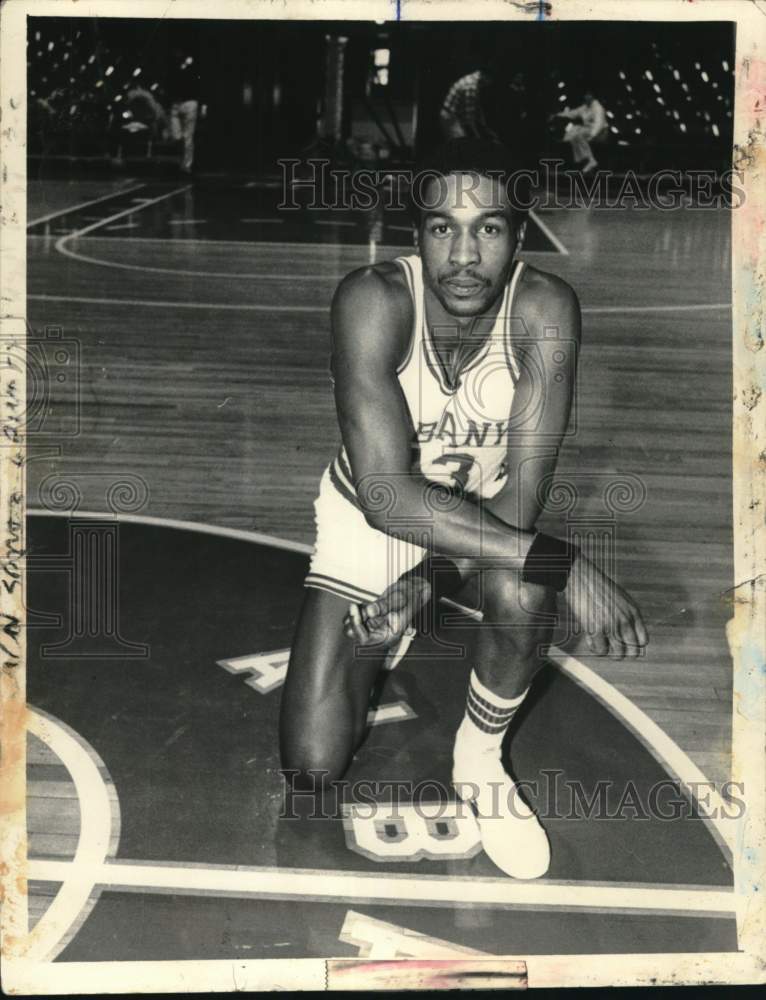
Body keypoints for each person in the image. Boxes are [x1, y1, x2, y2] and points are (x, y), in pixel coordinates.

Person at [279, 138, 648, 880]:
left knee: (524, 581)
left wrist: (432, 583)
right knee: (314, 766)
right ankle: (400, 627)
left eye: (488, 228)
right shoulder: (372, 300)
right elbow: (386, 496)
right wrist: (559, 555)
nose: (464, 253)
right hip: (369, 523)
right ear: (415, 235)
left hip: (485, 523)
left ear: (519, 236)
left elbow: (521, 498)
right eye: (443, 227)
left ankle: (480, 758)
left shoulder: (544, 311)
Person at [167, 49, 202, 174]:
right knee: (176, 136)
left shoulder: (192, 68)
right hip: (176, 104)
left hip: (190, 102)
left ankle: (186, 165)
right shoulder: (173, 69)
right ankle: (182, 160)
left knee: (188, 137)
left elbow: (198, 84)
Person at [555, 90, 608, 173]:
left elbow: (599, 124)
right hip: (588, 129)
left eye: (589, 95)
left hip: (600, 132)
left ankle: (590, 161)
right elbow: (573, 113)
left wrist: (592, 135)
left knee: (579, 135)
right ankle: (584, 160)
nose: (586, 97)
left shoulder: (598, 108)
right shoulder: (584, 107)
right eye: (586, 95)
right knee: (573, 132)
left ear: (593, 97)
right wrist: (558, 114)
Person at [439, 69, 498, 140]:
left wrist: (485, 126)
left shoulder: (476, 76)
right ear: (485, 77)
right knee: (460, 143)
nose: (488, 84)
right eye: (489, 82)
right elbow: (469, 119)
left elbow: (477, 107)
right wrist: (478, 137)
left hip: (455, 115)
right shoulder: (471, 87)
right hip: (449, 117)